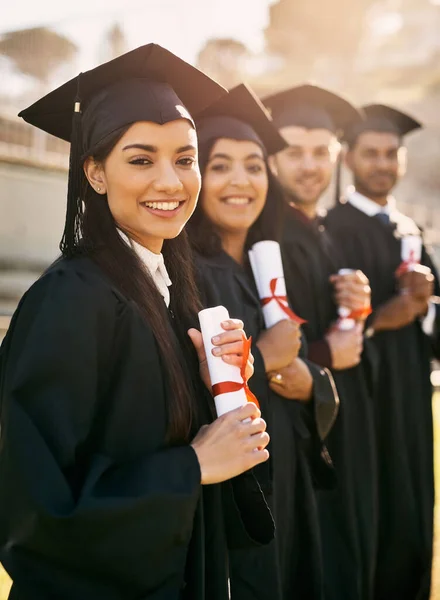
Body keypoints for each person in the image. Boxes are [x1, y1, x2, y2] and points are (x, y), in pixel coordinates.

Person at [0, 44, 274, 600]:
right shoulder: (70, 302)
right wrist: (192, 467)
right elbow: (36, 509)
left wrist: (218, 385)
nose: (172, 182)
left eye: (186, 158)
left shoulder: (169, 290)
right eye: (141, 159)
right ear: (95, 173)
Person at [188, 83, 339, 600]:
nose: (241, 181)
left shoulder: (264, 271)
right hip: (236, 503)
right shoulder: (186, 274)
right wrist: (266, 356)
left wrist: (310, 383)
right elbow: (185, 390)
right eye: (221, 164)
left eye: (254, 165)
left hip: (288, 485)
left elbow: (300, 370)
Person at [263, 84, 378, 600]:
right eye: (293, 152)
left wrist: (359, 309)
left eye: (320, 152)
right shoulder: (266, 235)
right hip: (291, 442)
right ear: (271, 156)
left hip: (334, 434)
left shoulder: (324, 232)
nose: (309, 166)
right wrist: (328, 354)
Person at [325, 104, 440, 600]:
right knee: (373, 522)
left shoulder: (412, 230)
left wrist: (426, 306)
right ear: (348, 157)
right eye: (370, 153)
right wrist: (378, 320)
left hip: (413, 401)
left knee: (415, 513)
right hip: (362, 404)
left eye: (391, 153)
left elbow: (432, 324)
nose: (382, 163)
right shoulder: (333, 229)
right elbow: (324, 320)